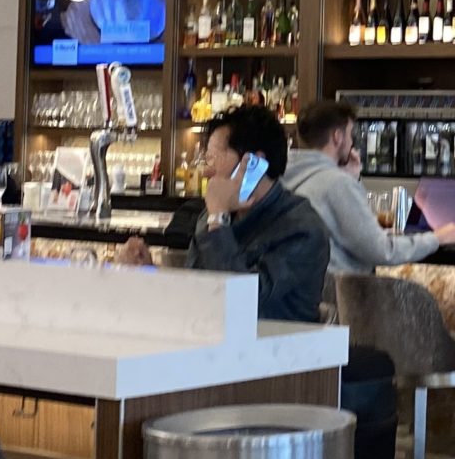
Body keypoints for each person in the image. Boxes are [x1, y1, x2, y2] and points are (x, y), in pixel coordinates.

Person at [114, 103, 329, 323]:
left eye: (214, 160)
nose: (206, 171)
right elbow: (198, 294)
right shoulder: (214, 215)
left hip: (278, 351)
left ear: (255, 164)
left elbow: (238, 301)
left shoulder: (302, 228)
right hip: (209, 347)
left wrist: (218, 219)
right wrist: (151, 274)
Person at [284, 101, 455, 277]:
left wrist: (353, 179)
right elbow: (382, 250)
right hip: (340, 298)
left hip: (302, 298)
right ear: (337, 137)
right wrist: (437, 238)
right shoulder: (335, 183)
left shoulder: (284, 175)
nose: (352, 142)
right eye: (349, 134)